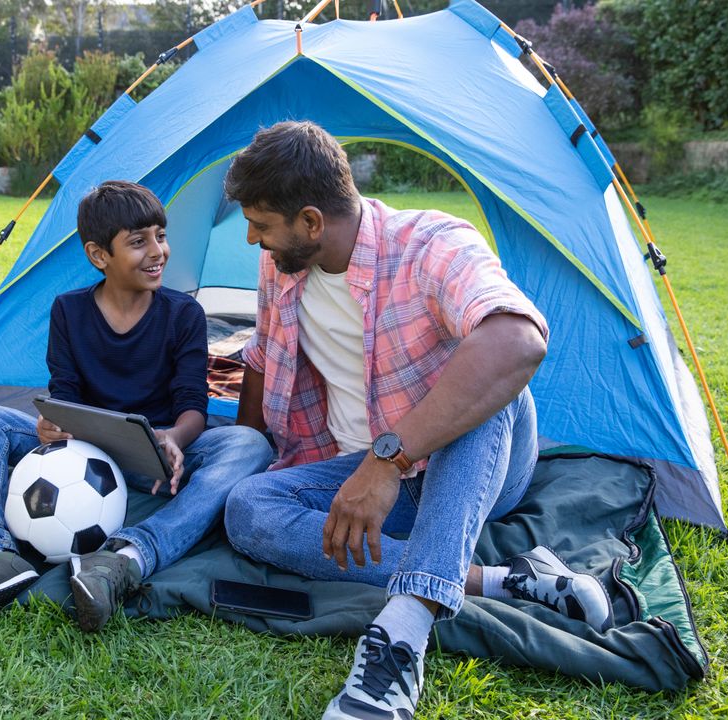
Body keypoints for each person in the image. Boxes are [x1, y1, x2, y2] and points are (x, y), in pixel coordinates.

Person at [220, 122, 612, 719]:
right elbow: (257, 357)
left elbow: (519, 341)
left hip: (474, 466)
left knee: (489, 373)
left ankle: (402, 634)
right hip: (358, 473)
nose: (251, 238)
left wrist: (389, 458)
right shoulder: (282, 267)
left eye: (261, 224)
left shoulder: (432, 243)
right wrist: (242, 447)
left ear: (311, 221)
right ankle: (501, 580)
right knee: (248, 509)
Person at [0, 180, 273, 635]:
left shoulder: (183, 314)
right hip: (81, 445)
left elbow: (192, 404)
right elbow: (64, 389)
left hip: (155, 452)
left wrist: (175, 439)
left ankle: (127, 559)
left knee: (249, 444)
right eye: (138, 242)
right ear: (99, 255)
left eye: (161, 236)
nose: (158, 251)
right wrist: (52, 422)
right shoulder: (69, 311)